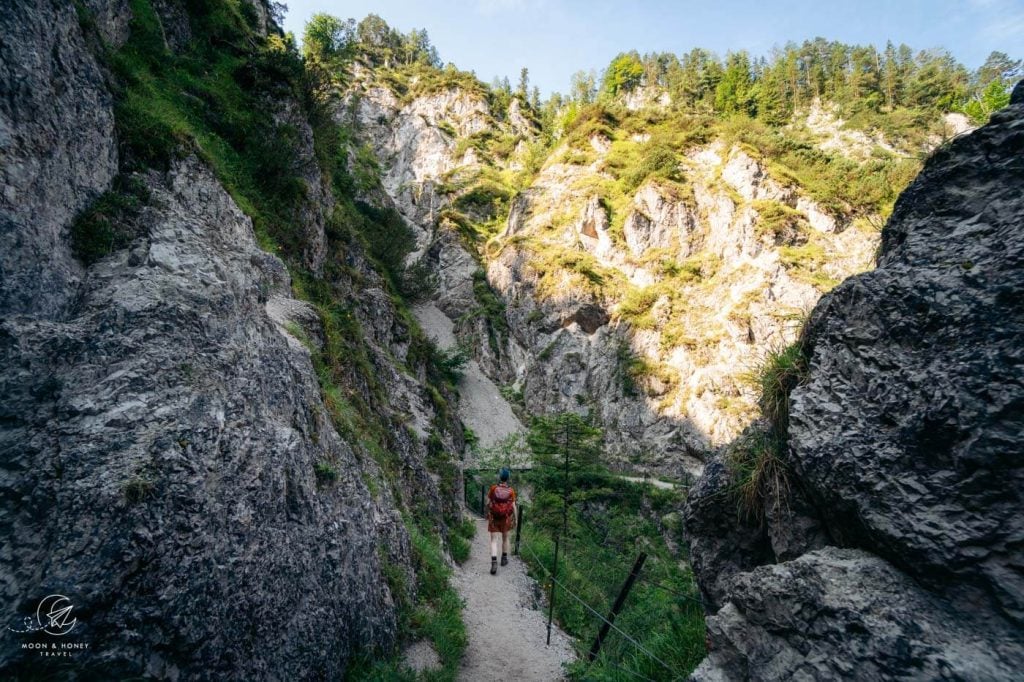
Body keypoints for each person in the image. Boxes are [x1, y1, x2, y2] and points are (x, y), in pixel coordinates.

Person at [485, 467, 517, 575]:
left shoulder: (493, 488)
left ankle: (494, 561)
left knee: (494, 540)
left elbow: (487, 502)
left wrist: (487, 512)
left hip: (494, 517)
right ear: (508, 478)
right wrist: (515, 519)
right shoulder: (511, 491)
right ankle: (504, 559)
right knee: (505, 538)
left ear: (500, 477)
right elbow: (513, 506)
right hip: (506, 517)